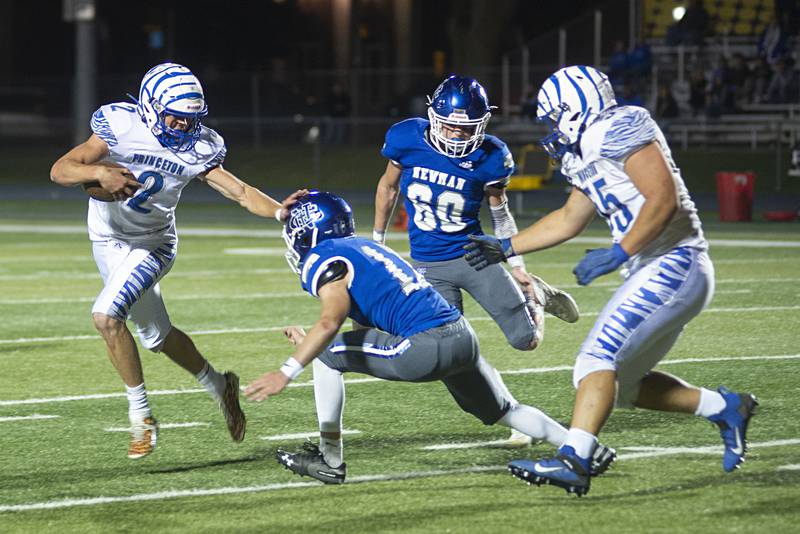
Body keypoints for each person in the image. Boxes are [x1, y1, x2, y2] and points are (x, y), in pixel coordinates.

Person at [464, 65, 757, 496]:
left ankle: (575, 459)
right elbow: (569, 217)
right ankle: (725, 407)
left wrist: (621, 250)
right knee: (623, 386)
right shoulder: (583, 151)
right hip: (658, 268)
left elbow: (663, 197)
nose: (549, 128)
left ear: (572, 109)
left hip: (674, 260)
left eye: (552, 117)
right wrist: (507, 247)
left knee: (594, 361)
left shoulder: (618, 126)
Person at [244, 191, 615, 484]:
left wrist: (287, 370)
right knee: (504, 411)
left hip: (426, 344)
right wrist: (322, 343)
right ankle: (582, 446)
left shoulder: (323, 257)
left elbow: (331, 320)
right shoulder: (366, 248)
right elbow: (365, 326)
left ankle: (329, 459)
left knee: (325, 355)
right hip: (461, 338)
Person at [50, 63, 305, 459]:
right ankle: (220, 385)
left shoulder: (199, 146)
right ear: (150, 107)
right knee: (157, 336)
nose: (183, 128)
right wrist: (101, 172)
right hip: (106, 239)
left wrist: (279, 212)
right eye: (175, 118)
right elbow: (61, 170)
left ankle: (141, 416)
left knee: (106, 316)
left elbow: (239, 192)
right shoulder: (120, 124)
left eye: (190, 120)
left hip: (153, 244)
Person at [372, 75, 580, 448]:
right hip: (426, 266)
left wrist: (516, 263)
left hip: (474, 256)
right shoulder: (406, 138)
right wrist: (379, 241)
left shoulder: (491, 156)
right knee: (451, 358)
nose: (455, 135)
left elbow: (499, 212)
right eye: (450, 125)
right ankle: (515, 415)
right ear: (434, 116)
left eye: (465, 128)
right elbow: (387, 187)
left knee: (525, 341)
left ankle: (536, 298)